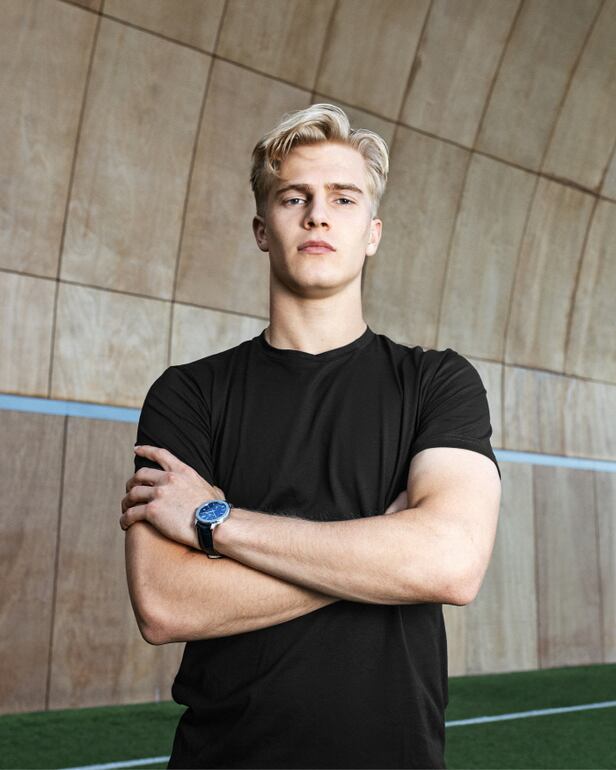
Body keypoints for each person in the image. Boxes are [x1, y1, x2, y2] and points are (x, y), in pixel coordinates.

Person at [120, 103, 502, 769]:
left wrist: (217, 523)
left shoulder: (437, 382)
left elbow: (451, 563)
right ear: (262, 230)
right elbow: (165, 604)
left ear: (372, 233)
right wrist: (388, 553)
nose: (318, 215)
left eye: (343, 198)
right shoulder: (187, 395)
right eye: (294, 197)